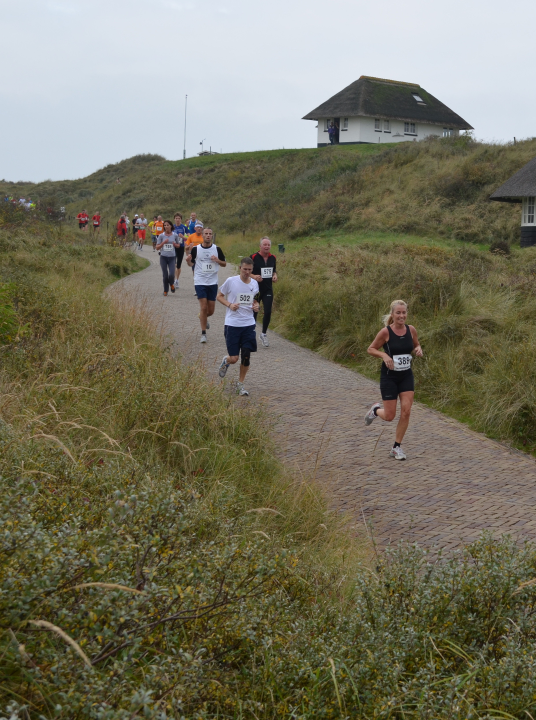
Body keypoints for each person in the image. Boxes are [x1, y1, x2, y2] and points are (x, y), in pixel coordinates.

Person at [364, 300, 423, 460]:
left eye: (404, 312)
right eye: (398, 313)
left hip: (406, 376)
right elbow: (371, 349)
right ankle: (375, 410)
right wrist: (384, 355)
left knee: (407, 411)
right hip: (389, 377)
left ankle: (396, 447)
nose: (401, 315)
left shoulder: (411, 330)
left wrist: (418, 349)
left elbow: (416, 345)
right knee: (390, 416)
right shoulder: (386, 332)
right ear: (392, 314)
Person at [217, 257, 260, 396]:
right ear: (240, 268)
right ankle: (226, 361)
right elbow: (219, 296)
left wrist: (256, 305)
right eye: (245, 269)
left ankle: (240, 385)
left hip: (248, 324)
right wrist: (230, 305)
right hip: (232, 324)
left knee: (246, 356)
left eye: (250, 270)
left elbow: (253, 299)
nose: (247, 272)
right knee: (234, 358)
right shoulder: (231, 281)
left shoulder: (254, 283)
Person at [186, 227, 226, 343]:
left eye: (210, 234)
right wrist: (188, 261)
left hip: (213, 282)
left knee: (211, 311)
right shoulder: (196, 249)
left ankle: (202, 316)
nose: (208, 235)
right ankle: (203, 333)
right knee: (203, 307)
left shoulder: (217, 249)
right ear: (202, 236)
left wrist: (217, 260)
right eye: (206, 234)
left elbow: (224, 264)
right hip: (200, 281)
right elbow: (191, 264)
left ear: (212, 236)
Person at [251, 236, 278, 347]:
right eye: (265, 245)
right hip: (255, 289)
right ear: (260, 246)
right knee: (254, 311)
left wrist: (275, 276)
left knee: (267, 311)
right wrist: (254, 276)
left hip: (267, 288)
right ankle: (251, 333)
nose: (267, 247)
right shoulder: (253, 257)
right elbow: (246, 271)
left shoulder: (273, 258)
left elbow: (274, 270)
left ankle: (263, 334)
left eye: (268, 245)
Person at [155, 220, 181, 295]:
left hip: (172, 257)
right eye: (165, 225)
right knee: (165, 275)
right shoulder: (161, 236)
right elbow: (157, 247)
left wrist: (175, 245)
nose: (166, 227)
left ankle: (172, 284)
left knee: (171, 274)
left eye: (167, 225)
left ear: (171, 226)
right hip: (163, 257)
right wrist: (163, 243)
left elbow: (178, 245)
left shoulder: (175, 235)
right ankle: (165, 290)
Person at [173, 212, 188, 289]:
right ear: (174, 219)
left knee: (178, 265)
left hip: (181, 247)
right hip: (173, 248)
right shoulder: (172, 227)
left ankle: (177, 280)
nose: (177, 220)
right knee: (173, 264)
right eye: (176, 218)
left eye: (179, 218)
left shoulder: (184, 227)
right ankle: (173, 279)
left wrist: (183, 237)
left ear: (181, 219)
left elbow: (189, 237)